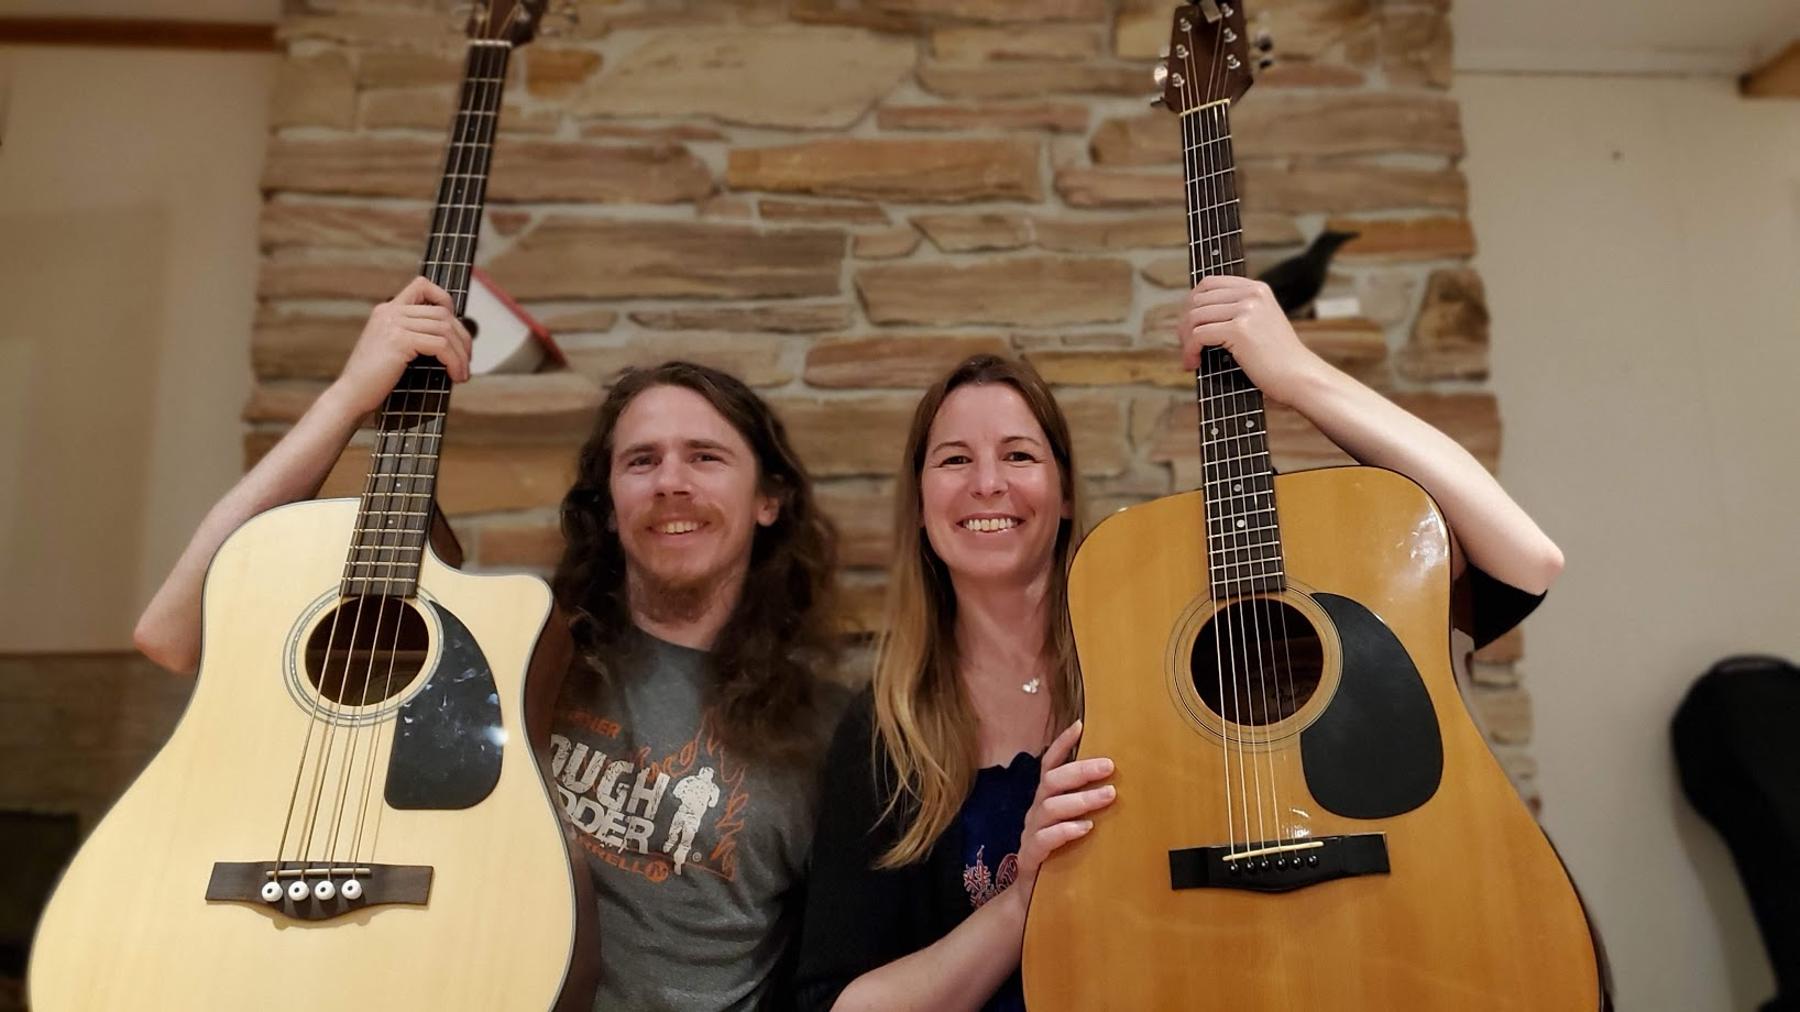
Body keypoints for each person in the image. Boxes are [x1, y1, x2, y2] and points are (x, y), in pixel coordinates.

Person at [794, 275, 1563, 1012]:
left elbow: (1524, 561)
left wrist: (1298, 378)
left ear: (1063, 493)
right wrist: (1023, 898)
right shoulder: (887, 729)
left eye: (1020, 455)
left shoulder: (1175, 643)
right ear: (921, 500)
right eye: (954, 458)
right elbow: (842, 1002)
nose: (987, 482)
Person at [133, 276, 847, 1011]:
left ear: (770, 499)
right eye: (641, 461)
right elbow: (171, 629)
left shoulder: (832, 734)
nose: (670, 482)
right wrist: (348, 397)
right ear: (605, 509)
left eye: (705, 457)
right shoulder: (505, 653)